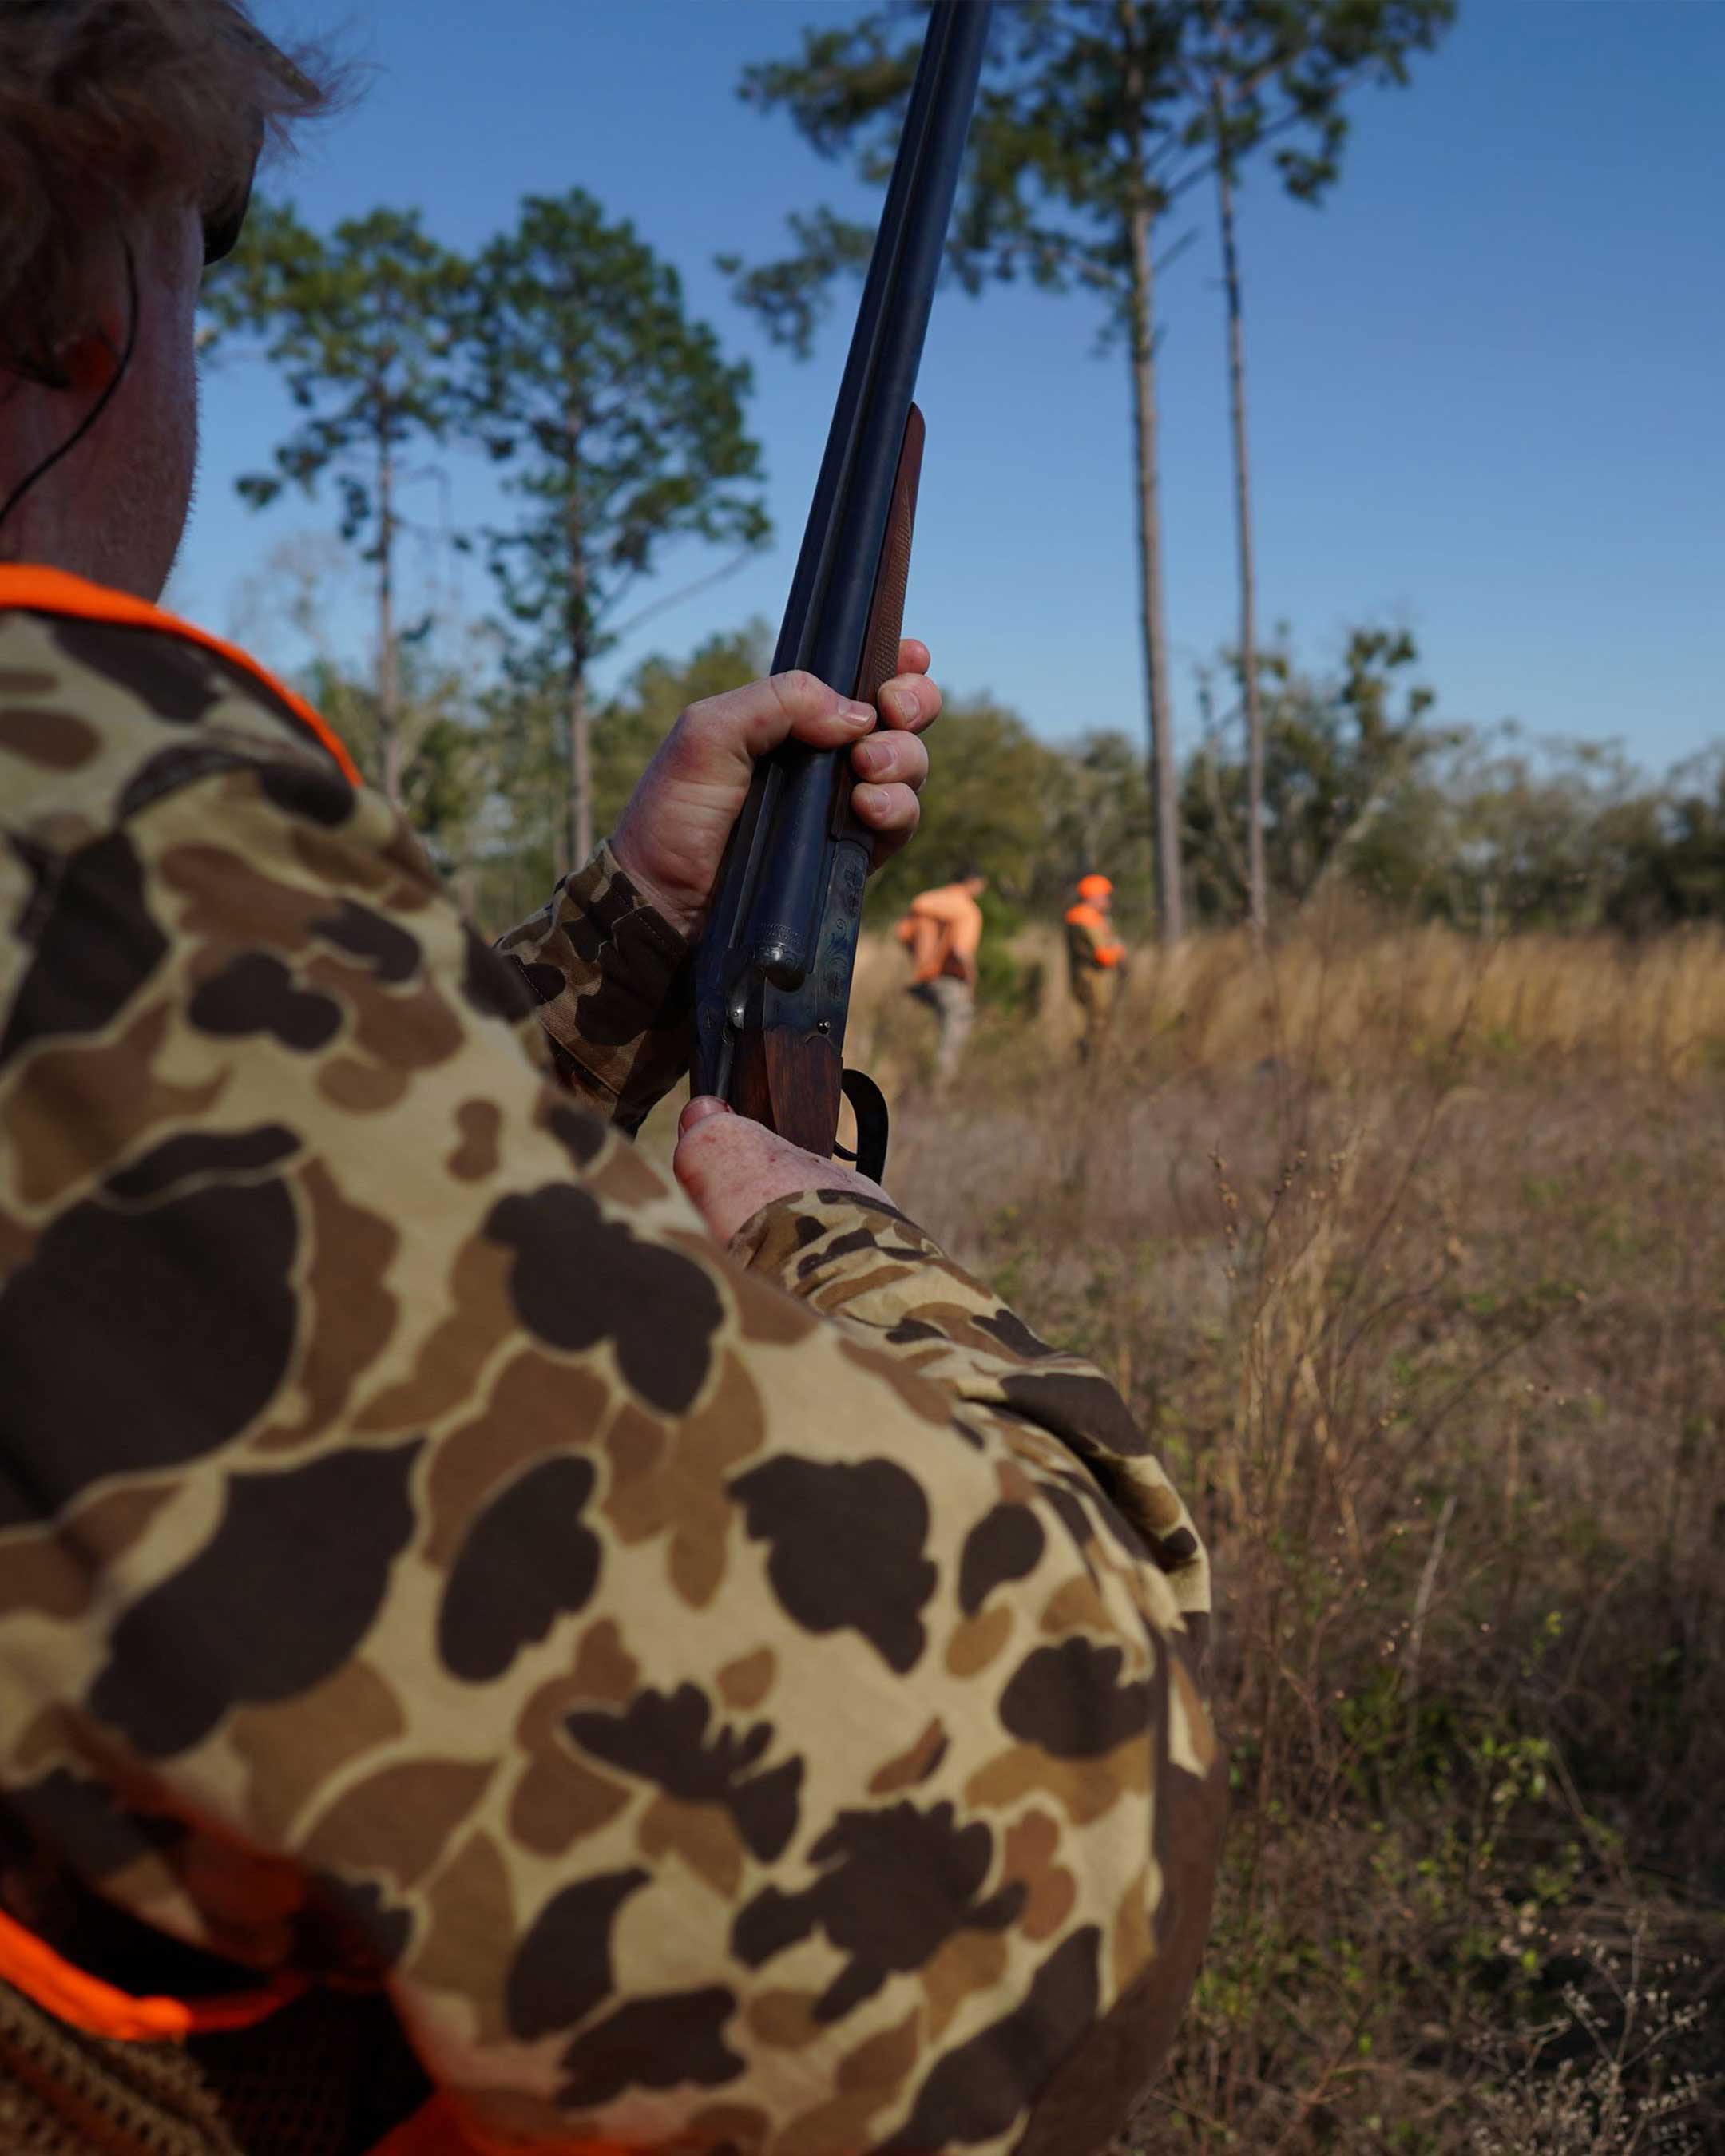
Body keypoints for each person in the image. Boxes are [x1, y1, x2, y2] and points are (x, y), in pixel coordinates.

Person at [0, 8, 1223, 2154]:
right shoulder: (65, 827)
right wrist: (811, 1224)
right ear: (97, 272)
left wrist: (640, 928)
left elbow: (222, 1224)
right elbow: (1018, 1894)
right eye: (224, 251)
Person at [894, 870, 985, 1086]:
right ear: (973, 882)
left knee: (930, 1027)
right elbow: (960, 951)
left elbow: (902, 934)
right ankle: (940, 1085)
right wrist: (972, 981)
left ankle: (911, 1073)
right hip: (950, 981)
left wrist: (922, 962)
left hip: (925, 980)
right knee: (954, 1031)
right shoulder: (967, 910)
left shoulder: (928, 900)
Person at [1065, 874, 1126, 1064]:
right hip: (1092, 979)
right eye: (1104, 896)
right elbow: (1103, 955)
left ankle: (1093, 1061)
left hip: (1086, 977)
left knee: (1097, 1023)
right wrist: (1119, 951)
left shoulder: (1085, 917)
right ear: (1093, 896)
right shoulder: (1086, 919)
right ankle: (1093, 1065)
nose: (1107, 901)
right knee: (1099, 1024)